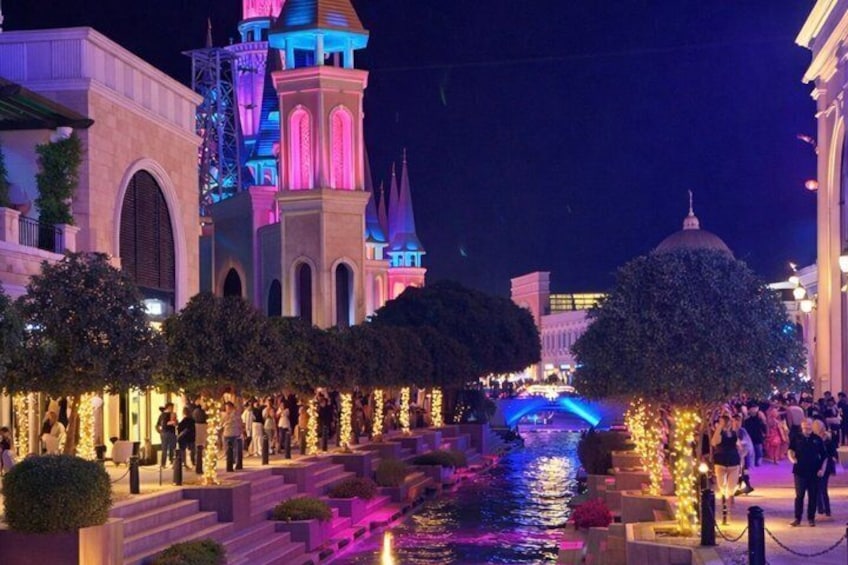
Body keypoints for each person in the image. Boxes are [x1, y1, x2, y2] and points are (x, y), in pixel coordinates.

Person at [788, 418, 828, 527]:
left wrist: (822, 469)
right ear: (802, 426)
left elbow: (824, 456)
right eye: (805, 425)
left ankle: (811, 518)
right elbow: (790, 450)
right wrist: (792, 459)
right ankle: (797, 518)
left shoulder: (817, 439)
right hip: (799, 472)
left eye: (809, 425)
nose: (807, 427)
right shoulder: (796, 437)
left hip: (814, 472)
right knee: (799, 496)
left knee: (813, 496)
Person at [812, 419, 837, 519]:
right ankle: (822, 510)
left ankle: (826, 510)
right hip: (816, 466)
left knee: (822, 488)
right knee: (818, 488)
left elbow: (833, 454)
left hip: (825, 466)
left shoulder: (827, 439)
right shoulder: (814, 439)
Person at [733, 414, 755, 495]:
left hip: (743, 454)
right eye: (736, 421)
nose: (737, 423)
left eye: (739, 421)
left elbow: (746, 442)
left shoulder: (742, 431)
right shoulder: (732, 431)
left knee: (743, 471)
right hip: (737, 454)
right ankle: (744, 487)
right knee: (740, 471)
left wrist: (739, 444)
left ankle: (743, 487)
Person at [156, 403, 177, 467]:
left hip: (164, 433)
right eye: (172, 407)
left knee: (164, 448)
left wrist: (160, 432)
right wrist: (173, 422)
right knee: (172, 448)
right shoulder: (170, 414)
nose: (172, 409)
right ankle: (171, 462)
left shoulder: (161, 415)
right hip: (170, 433)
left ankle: (164, 463)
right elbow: (165, 424)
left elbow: (158, 425)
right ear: (169, 407)